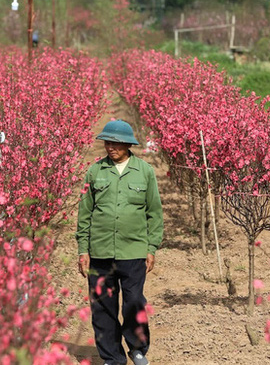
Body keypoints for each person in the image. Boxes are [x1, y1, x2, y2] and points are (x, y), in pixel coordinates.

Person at [76, 120, 164, 365]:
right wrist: (83, 249)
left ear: (127, 144)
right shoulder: (95, 171)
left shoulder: (144, 171)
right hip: (100, 250)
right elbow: (84, 213)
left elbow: (154, 212)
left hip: (133, 249)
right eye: (107, 142)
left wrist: (151, 248)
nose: (110, 146)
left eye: (115, 142)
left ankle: (137, 348)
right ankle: (112, 357)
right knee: (103, 305)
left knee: (134, 300)